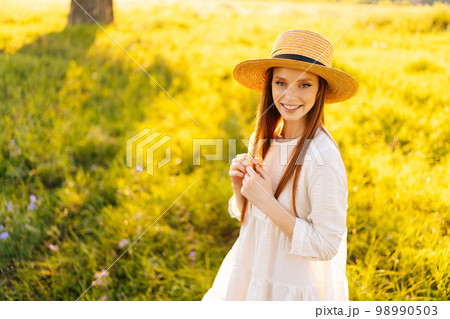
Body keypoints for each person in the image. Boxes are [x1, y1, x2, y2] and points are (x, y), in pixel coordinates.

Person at [202, 29, 359, 301]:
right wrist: (240, 189)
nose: (289, 95)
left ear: (321, 89)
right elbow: (251, 218)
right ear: (269, 84)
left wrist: (267, 202)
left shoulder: (323, 158)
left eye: (305, 84)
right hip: (252, 268)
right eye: (281, 82)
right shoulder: (263, 138)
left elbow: (326, 245)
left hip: (290, 284)